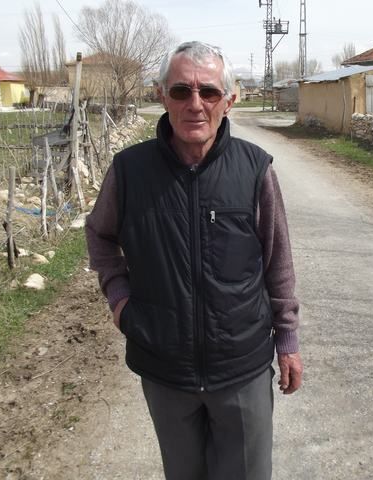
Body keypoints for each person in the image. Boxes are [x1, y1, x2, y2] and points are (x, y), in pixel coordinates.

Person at [85, 40, 302, 480]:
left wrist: (288, 340)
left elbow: (277, 259)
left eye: (210, 92)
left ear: (229, 100)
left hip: (242, 368)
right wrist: (121, 301)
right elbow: (99, 235)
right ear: (162, 95)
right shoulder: (129, 171)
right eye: (181, 91)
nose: (196, 104)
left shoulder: (255, 169)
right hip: (164, 370)